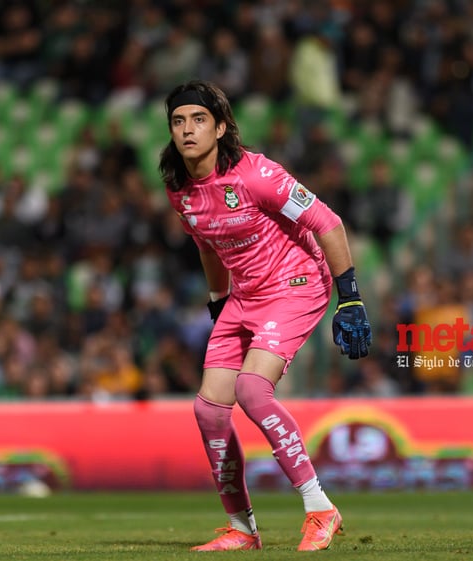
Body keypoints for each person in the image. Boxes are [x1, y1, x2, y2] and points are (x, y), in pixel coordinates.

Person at [159, 80, 372, 552]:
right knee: (208, 409)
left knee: (251, 388)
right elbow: (207, 245)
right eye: (178, 121)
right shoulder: (181, 189)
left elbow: (328, 222)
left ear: (219, 127)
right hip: (245, 295)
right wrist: (219, 302)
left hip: (295, 283)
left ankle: (320, 508)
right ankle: (242, 528)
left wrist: (350, 298)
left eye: (198, 120)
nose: (188, 130)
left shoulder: (258, 175)